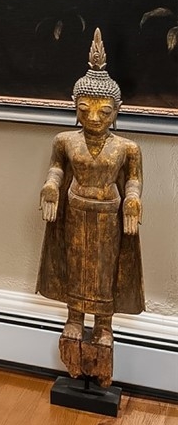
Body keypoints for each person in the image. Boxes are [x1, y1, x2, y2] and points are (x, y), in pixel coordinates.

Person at [36, 30, 144, 387]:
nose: (94, 117)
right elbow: (56, 168)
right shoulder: (65, 141)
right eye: (85, 110)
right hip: (75, 211)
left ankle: (103, 325)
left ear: (117, 111)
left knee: (105, 270)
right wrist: (51, 186)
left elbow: (133, 179)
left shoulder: (127, 148)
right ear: (75, 107)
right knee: (74, 265)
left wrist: (132, 200)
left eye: (104, 111)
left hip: (108, 214)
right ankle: (74, 317)